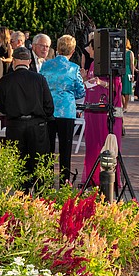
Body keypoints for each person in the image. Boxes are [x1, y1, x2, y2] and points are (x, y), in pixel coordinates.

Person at [0, 46, 55, 191]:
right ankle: (40, 195)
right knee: (39, 162)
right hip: (37, 125)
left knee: (19, 163)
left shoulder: (5, 81)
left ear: (14, 61)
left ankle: (21, 194)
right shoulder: (39, 79)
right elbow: (49, 106)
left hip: (15, 125)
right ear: (28, 61)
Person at [40, 35, 86, 186]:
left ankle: (46, 182)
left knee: (48, 148)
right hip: (66, 111)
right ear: (72, 50)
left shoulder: (46, 65)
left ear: (58, 48)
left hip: (48, 111)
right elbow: (80, 91)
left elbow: (40, 86)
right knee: (65, 149)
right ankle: (64, 182)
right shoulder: (73, 68)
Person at [82, 36, 125, 189]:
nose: (88, 50)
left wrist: (101, 82)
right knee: (92, 145)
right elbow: (90, 85)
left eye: (91, 47)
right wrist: (85, 79)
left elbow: (115, 88)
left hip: (107, 112)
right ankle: (92, 177)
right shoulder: (93, 64)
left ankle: (110, 179)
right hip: (93, 110)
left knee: (108, 146)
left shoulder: (111, 66)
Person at [121, 39, 136, 111]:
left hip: (122, 71)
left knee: (121, 90)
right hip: (127, 71)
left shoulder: (120, 52)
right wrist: (133, 74)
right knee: (126, 90)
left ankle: (124, 105)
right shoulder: (130, 53)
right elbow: (132, 64)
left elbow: (132, 64)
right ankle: (125, 106)